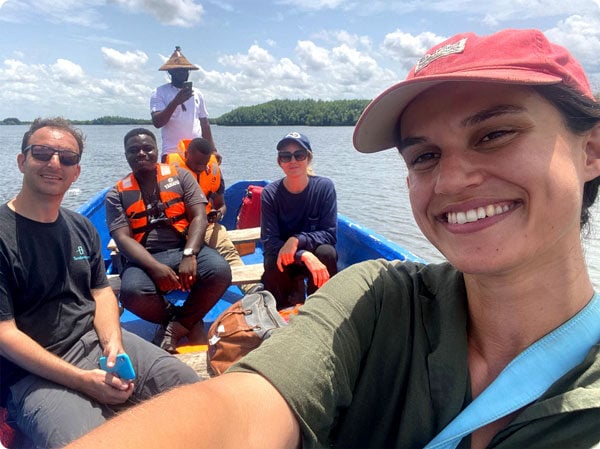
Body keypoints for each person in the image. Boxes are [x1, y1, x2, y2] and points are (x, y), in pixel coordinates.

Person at [66, 29, 600, 449]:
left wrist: (207, 247)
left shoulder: (294, 186)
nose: (454, 180)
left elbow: (222, 206)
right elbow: (245, 407)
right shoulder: (374, 297)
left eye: (494, 134)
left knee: (279, 258)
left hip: (229, 246)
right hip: (190, 252)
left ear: (591, 150)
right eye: (424, 156)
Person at [0, 118, 199, 449]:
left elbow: (100, 291)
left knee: (190, 390)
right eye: (42, 153)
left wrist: (113, 344)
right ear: (22, 161)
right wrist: (81, 380)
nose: (54, 163)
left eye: (66, 158)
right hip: (32, 374)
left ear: (76, 172)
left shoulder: (81, 227)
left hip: (94, 344)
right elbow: (4, 334)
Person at [105, 128, 231, 353]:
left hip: (183, 247)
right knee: (132, 293)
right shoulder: (116, 194)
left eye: (148, 148)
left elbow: (200, 216)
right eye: (134, 150)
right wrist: (155, 268)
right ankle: (185, 321)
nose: (142, 153)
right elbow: (122, 238)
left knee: (220, 270)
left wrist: (190, 253)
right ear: (126, 155)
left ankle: (176, 327)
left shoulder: (181, 176)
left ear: (156, 151)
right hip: (146, 257)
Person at [165, 137, 262, 295]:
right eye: (196, 164)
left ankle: (250, 288)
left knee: (227, 249)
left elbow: (221, 205)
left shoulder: (213, 170)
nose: (200, 168)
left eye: (204, 164)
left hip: (205, 223)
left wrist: (218, 214)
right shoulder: (168, 169)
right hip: (176, 226)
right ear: (186, 154)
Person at [259, 132, 338, 309]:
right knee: (272, 260)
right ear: (280, 162)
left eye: (299, 155)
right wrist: (303, 254)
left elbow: (330, 234)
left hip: (315, 260)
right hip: (284, 260)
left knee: (327, 252)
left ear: (308, 158)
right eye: (286, 156)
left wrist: (296, 240)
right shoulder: (270, 194)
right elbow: (270, 242)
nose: (292, 161)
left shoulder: (324, 188)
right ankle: (284, 304)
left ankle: (321, 306)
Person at [150, 46, 219, 162]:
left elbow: (204, 124)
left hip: (197, 154)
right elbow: (157, 122)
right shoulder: (159, 92)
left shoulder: (197, 94)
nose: (183, 72)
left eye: (186, 69)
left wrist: (213, 150)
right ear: (170, 72)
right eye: (179, 70)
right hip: (172, 154)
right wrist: (176, 101)